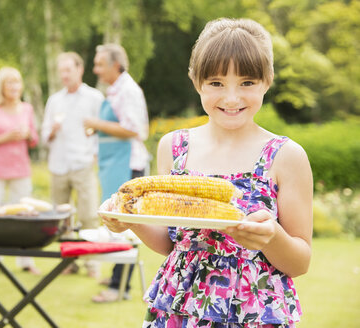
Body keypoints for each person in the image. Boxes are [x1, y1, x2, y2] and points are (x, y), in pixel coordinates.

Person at [101, 18, 313, 327]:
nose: (231, 98)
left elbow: (300, 261)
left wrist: (270, 237)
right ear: (196, 81)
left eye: (247, 82)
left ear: (267, 81)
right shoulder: (174, 147)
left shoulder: (285, 156)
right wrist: (130, 221)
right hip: (180, 308)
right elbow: (174, 244)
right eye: (216, 83)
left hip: (253, 311)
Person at [84, 44, 150, 302]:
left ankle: (119, 287)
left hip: (128, 164)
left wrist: (96, 124)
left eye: (99, 64)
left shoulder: (128, 91)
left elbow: (136, 130)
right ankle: (115, 275)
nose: (95, 70)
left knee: (126, 223)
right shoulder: (115, 91)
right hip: (114, 163)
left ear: (115, 65)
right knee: (114, 221)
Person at [41, 52, 104, 278]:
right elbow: (43, 136)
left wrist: (96, 155)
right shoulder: (54, 100)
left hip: (84, 163)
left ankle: (92, 264)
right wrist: (52, 131)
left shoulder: (94, 98)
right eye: (61, 71)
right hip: (58, 164)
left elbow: (100, 131)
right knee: (61, 218)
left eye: (68, 70)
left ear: (80, 69)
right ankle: (67, 263)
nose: (64, 75)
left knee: (88, 215)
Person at [0, 66, 40, 277]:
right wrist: (6, 137)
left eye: (17, 82)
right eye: (9, 82)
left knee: (24, 217)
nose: (14, 86)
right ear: (1, 86)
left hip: (20, 170)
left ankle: (26, 260)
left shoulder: (27, 109)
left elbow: (34, 140)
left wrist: (27, 134)